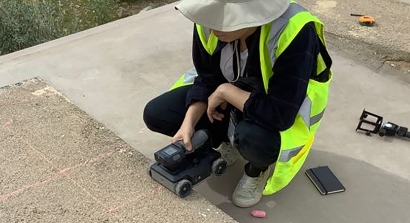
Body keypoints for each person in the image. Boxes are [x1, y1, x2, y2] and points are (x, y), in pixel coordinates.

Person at [143, 0, 333, 207]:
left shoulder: (294, 30)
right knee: (156, 113)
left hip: (278, 110)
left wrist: (226, 91)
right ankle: (229, 139)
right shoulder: (208, 20)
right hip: (229, 101)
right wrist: (188, 123)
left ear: (253, 15)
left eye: (225, 20)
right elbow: (206, 79)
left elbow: (280, 114)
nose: (214, 29)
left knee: (253, 139)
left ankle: (257, 169)